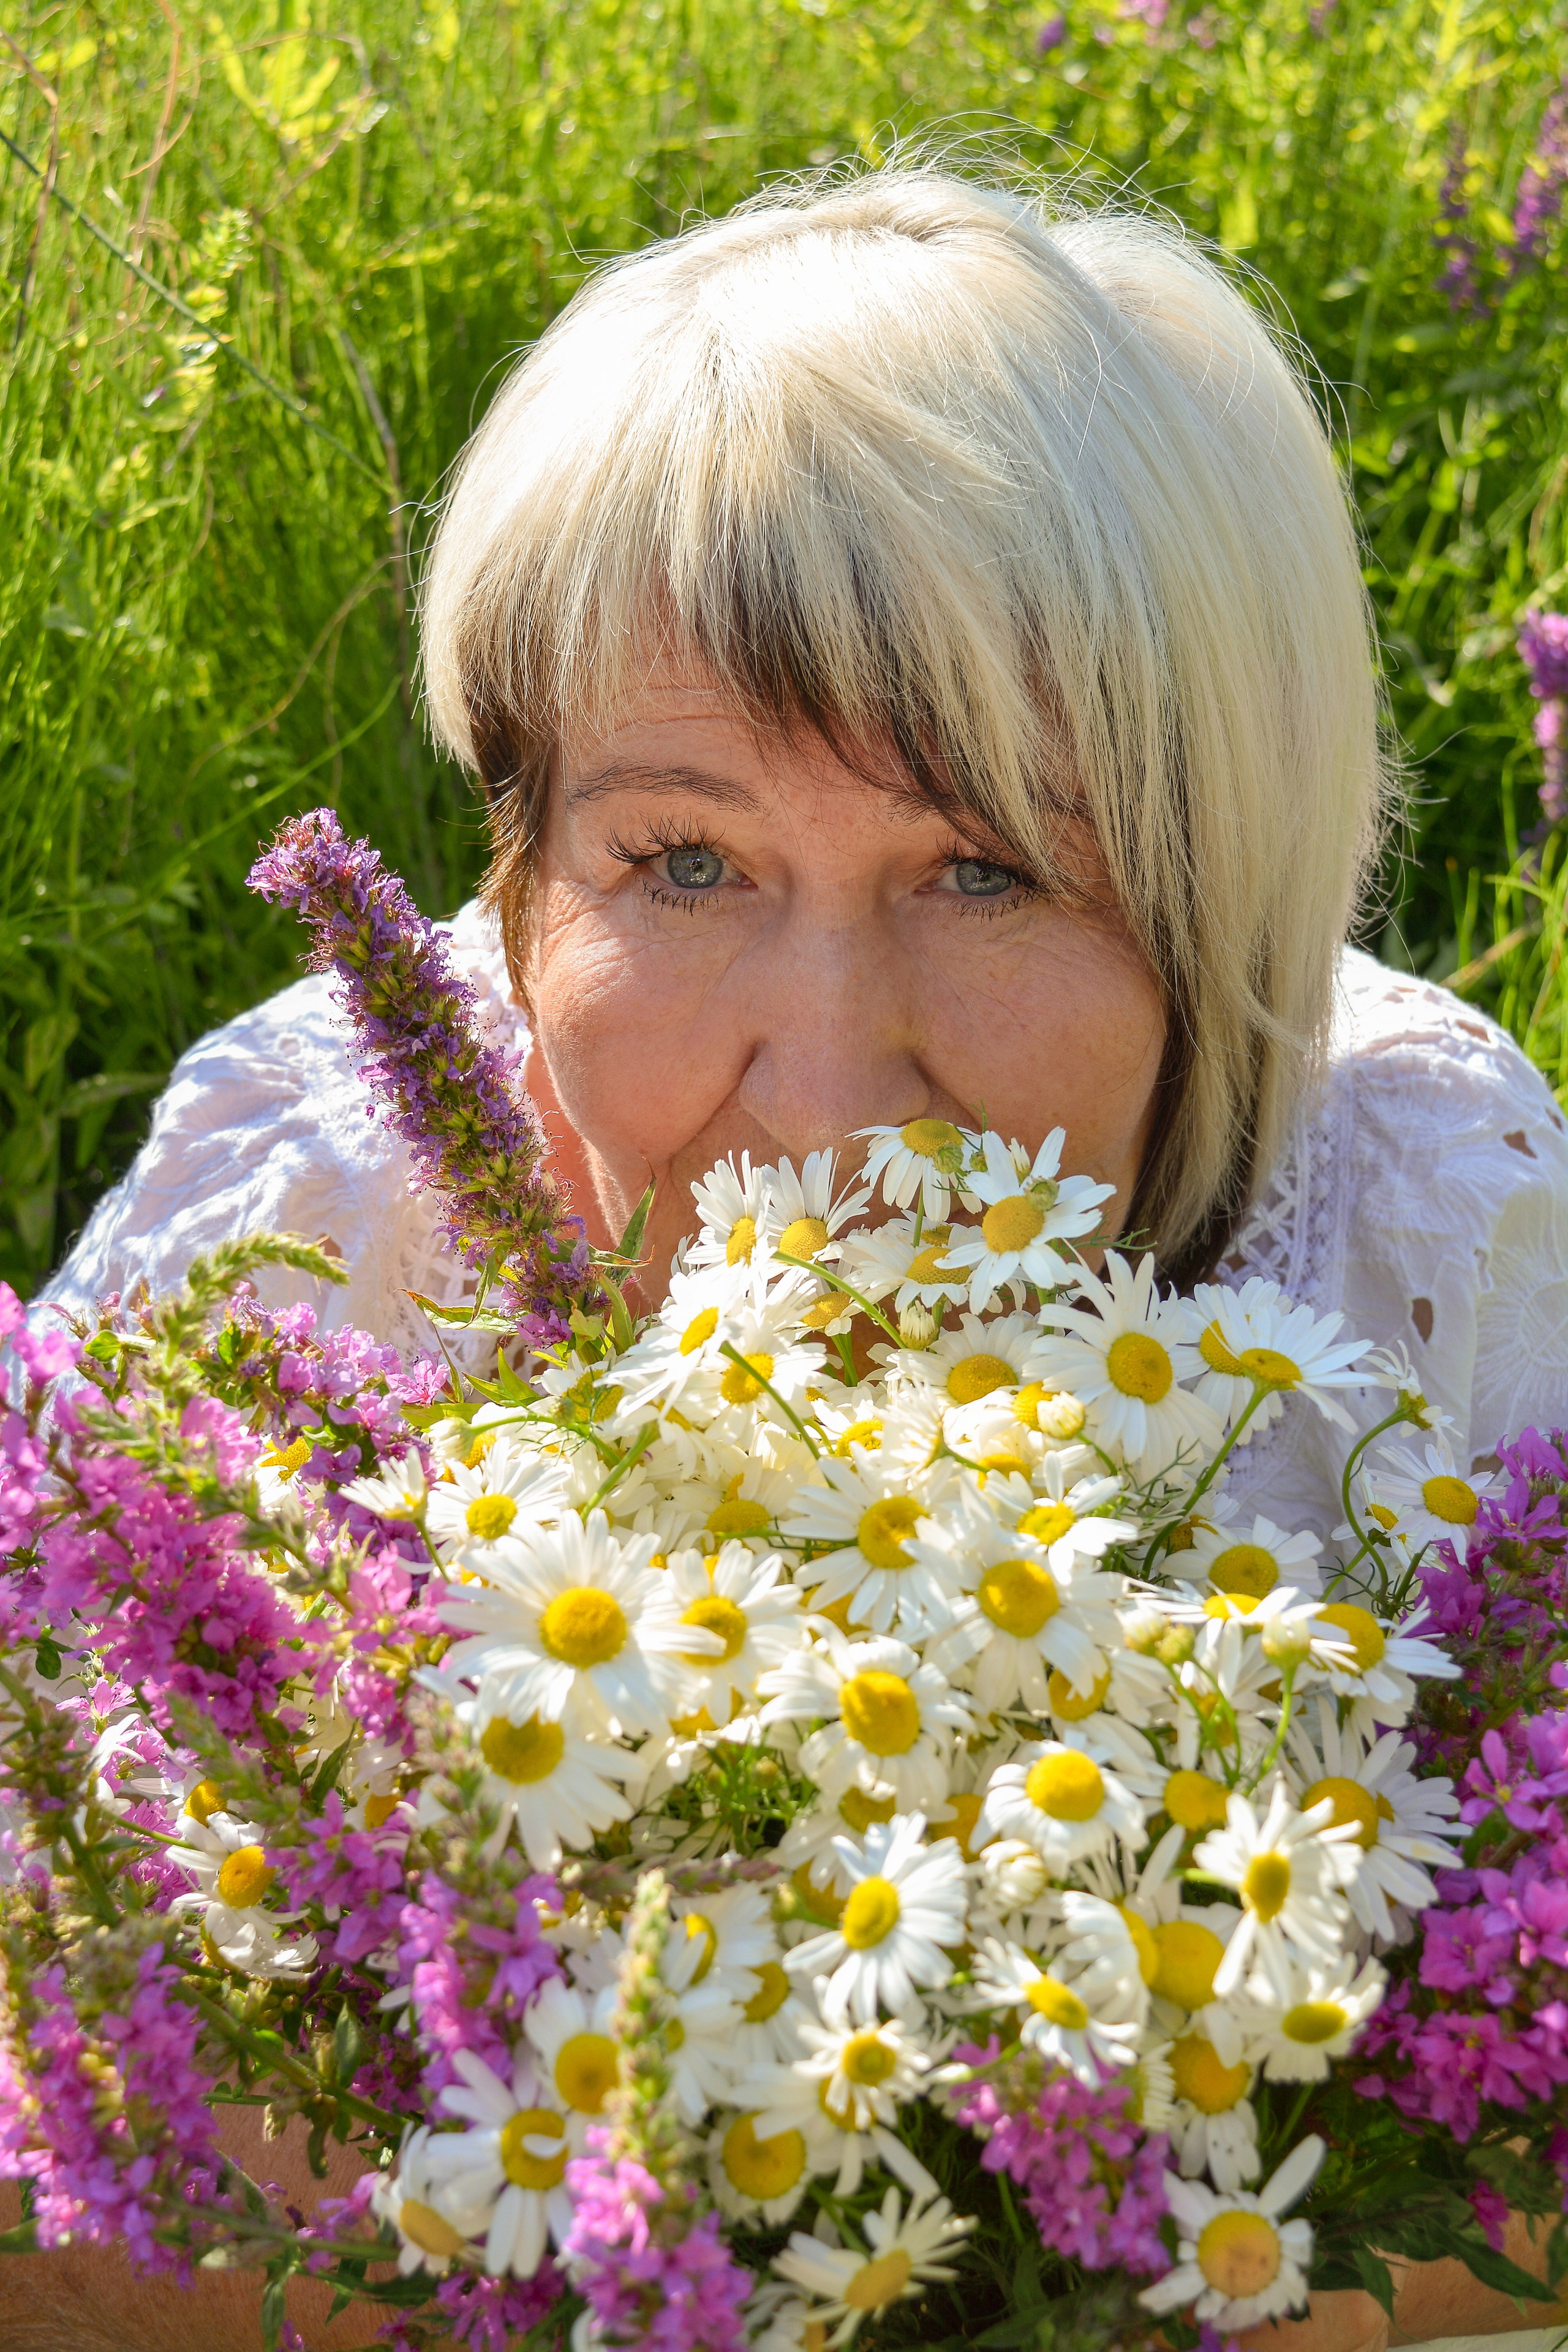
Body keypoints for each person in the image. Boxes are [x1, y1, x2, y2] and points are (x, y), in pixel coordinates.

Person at [25, 165, 1568, 2352]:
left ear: (1229, 893)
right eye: (680, 857)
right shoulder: (315, 1222)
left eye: (988, 869)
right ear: (512, 852)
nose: (829, 1093)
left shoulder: (1428, 1228)